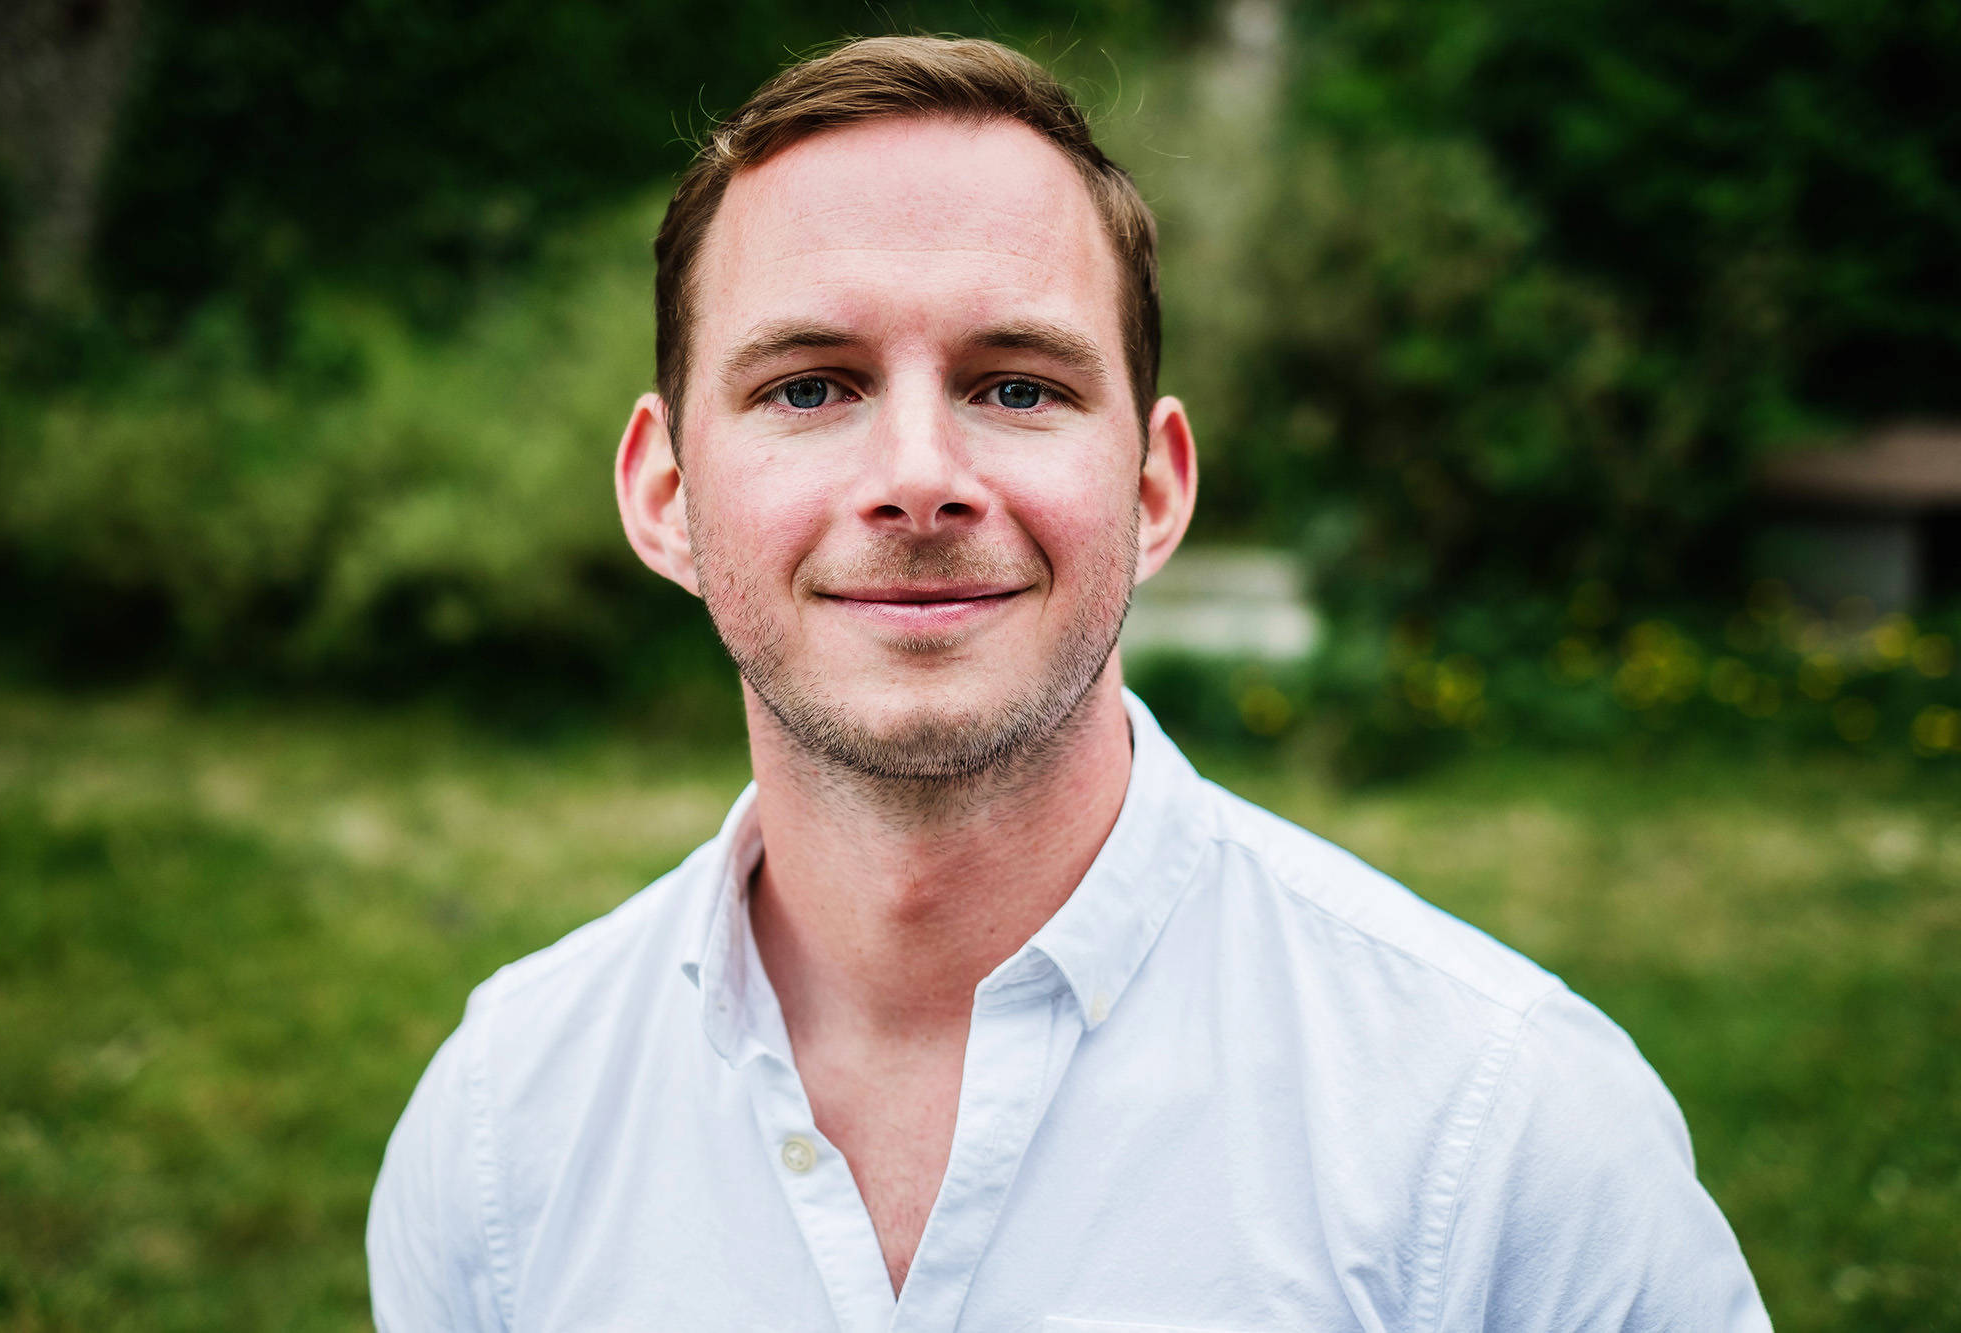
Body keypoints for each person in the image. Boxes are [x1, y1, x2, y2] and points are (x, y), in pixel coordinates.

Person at [367, 36, 1771, 1332]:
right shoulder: (501, 1125)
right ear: (666, 493)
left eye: (1017, 384)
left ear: (1154, 485)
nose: (919, 478)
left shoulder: (1507, 1127)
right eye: (810, 385)